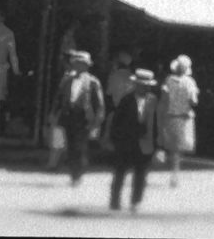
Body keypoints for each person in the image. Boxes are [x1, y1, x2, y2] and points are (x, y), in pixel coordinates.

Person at [109, 68, 159, 212]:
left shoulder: (153, 100)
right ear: (136, 84)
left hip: (145, 142)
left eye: (147, 85)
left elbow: (157, 123)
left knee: (141, 173)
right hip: (126, 142)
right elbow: (116, 121)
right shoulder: (126, 99)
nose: (144, 87)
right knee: (120, 172)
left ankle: (136, 201)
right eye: (141, 84)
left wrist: (157, 145)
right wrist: (115, 139)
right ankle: (115, 201)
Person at [55, 48, 105, 187]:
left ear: (87, 66)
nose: (78, 66)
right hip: (69, 116)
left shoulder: (93, 82)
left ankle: (78, 174)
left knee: (79, 146)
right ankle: (73, 173)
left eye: (81, 63)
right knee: (70, 146)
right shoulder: (67, 79)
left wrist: (97, 122)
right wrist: (55, 114)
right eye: (76, 63)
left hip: (84, 118)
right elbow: (59, 98)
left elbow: (99, 104)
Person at [158, 54, 199, 189]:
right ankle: (175, 175)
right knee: (178, 150)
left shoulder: (168, 80)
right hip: (184, 118)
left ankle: (173, 173)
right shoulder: (190, 82)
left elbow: (163, 98)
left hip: (170, 116)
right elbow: (193, 101)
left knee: (172, 147)